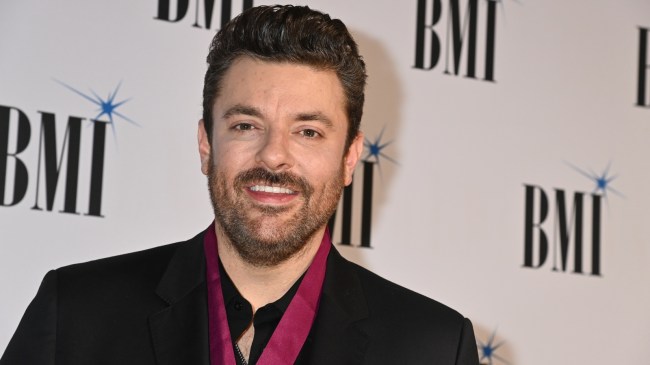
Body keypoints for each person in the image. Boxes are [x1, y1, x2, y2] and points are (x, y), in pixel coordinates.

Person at [1, 5, 479, 365]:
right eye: (247, 125)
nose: (274, 155)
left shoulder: (432, 346)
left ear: (350, 157)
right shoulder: (77, 313)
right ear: (206, 144)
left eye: (308, 131)